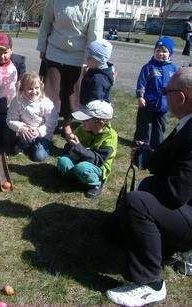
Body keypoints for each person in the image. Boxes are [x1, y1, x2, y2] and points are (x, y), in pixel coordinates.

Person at [104, 67, 192, 307]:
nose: (164, 94)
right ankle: (164, 247)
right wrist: (148, 157)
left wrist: (149, 184)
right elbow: (171, 156)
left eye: (166, 91)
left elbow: (177, 192)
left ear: (180, 97)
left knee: (137, 202)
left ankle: (150, 283)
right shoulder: (188, 121)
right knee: (116, 228)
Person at [37, 0, 104, 137]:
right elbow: (45, 23)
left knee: (72, 96)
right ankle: (47, 124)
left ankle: (67, 125)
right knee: (50, 94)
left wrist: (90, 60)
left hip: (78, 56)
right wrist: (42, 47)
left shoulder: (95, 3)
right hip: (54, 51)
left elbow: (95, 35)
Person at [56, 100, 117, 198]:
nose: (82, 122)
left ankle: (96, 184)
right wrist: (70, 145)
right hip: (79, 160)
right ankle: (77, 178)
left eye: (86, 119)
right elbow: (70, 146)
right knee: (63, 161)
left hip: (96, 167)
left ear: (100, 122)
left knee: (83, 168)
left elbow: (98, 160)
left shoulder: (110, 137)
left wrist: (78, 147)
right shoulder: (82, 129)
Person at [134, 37, 177, 149]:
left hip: (163, 104)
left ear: (170, 53)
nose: (160, 53)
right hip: (148, 102)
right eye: (158, 50)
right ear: (154, 52)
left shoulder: (172, 69)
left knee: (159, 125)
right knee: (145, 124)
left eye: (164, 51)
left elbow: (175, 85)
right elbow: (141, 83)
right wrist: (140, 97)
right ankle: (142, 142)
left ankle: (157, 144)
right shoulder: (148, 67)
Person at [6, 72, 58, 161]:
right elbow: (10, 119)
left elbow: (52, 122)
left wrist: (38, 131)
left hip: (42, 135)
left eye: (36, 88)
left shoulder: (46, 102)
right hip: (25, 132)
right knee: (26, 138)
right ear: (23, 88)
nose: (34, 91)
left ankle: (37, 146)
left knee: (39, 157)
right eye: (30, 89)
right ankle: (22, 145)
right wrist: (22, 128)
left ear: (41, 86)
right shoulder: (18, 101)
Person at [80, 39, 115, 106]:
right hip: (87, 104)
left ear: (99, 60)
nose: (86, 59)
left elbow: (96, 100)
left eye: (90, 57)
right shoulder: (94, 69)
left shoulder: (98, 78)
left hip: (92, 109)